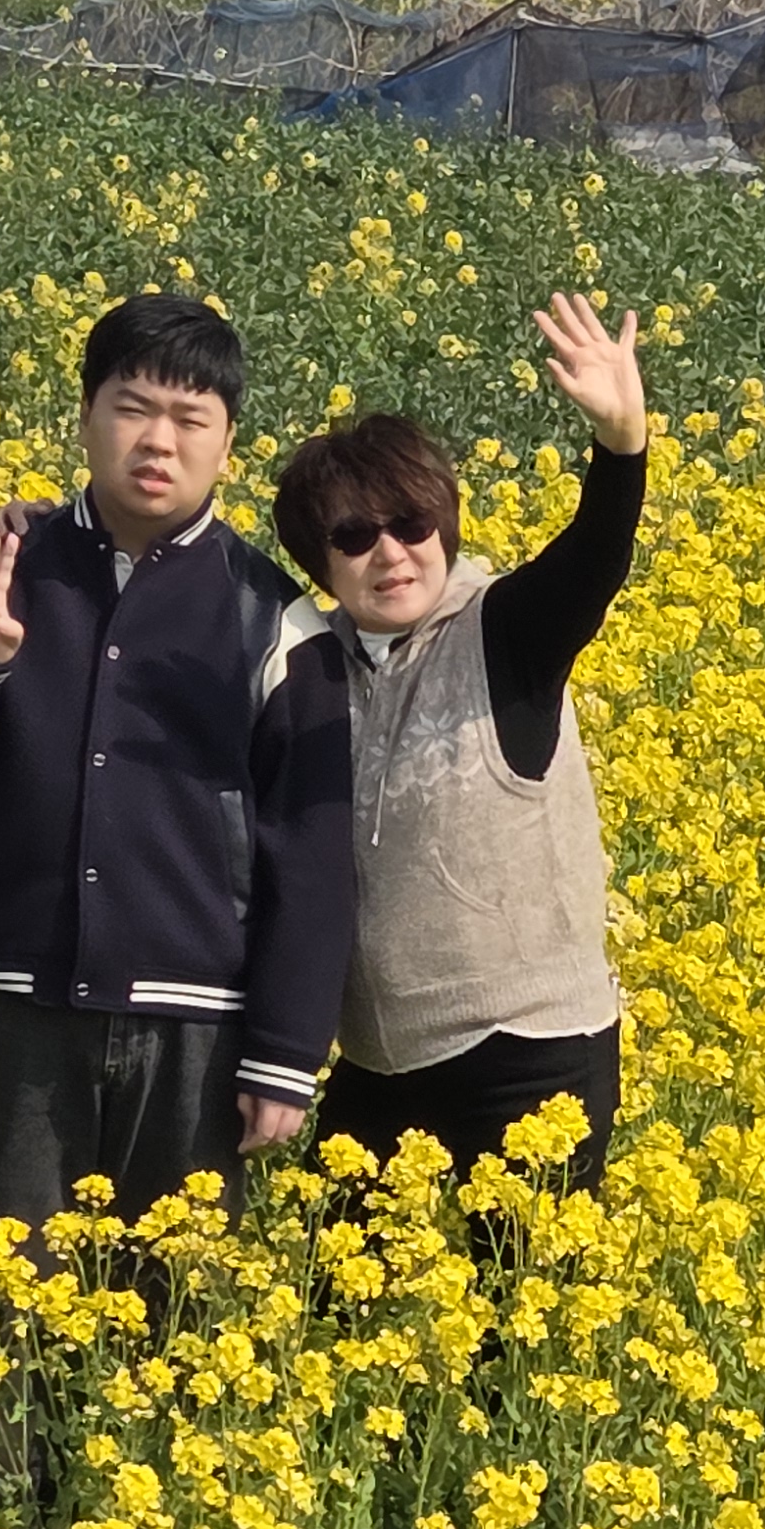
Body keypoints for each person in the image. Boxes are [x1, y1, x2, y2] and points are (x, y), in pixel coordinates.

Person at [0, 294, 353, 1240]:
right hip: (12, 1010)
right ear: (86, 415)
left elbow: (314, 854)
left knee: (177, 1302)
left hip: (196, 1029)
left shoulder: (276, 618)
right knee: (6, 1297)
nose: (158, 441)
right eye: (132, 408)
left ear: (228, 443)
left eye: (190, 419)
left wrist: (285, 1053)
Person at [272, 291, 647, 1198]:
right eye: (354, 537)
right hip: (378, 1063)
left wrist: (621, 443)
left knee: (521, 1290)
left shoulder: (507, 631)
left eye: (411, 524)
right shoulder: (305, 666)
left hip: (529, 1055)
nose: (391, 553)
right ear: (319, 563)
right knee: (334, 1281)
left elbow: (594, 557)